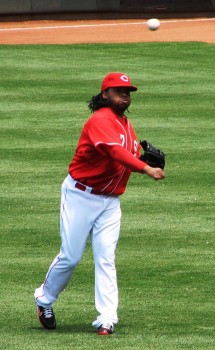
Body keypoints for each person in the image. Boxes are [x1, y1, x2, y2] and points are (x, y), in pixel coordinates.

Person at [34, 72, 165, 335]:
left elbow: (128, 153)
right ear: (105, 94)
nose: (124, 96)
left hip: (110, 203)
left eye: (127, 92)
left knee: (106, 258)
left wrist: (145, 159)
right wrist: (144, 169)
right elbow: (113, 151)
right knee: (70, 257)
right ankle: (44, 300)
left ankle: (107, 317)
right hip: (81, 196)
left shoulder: (125, 123)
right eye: (118, 91)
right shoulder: (100, 120)